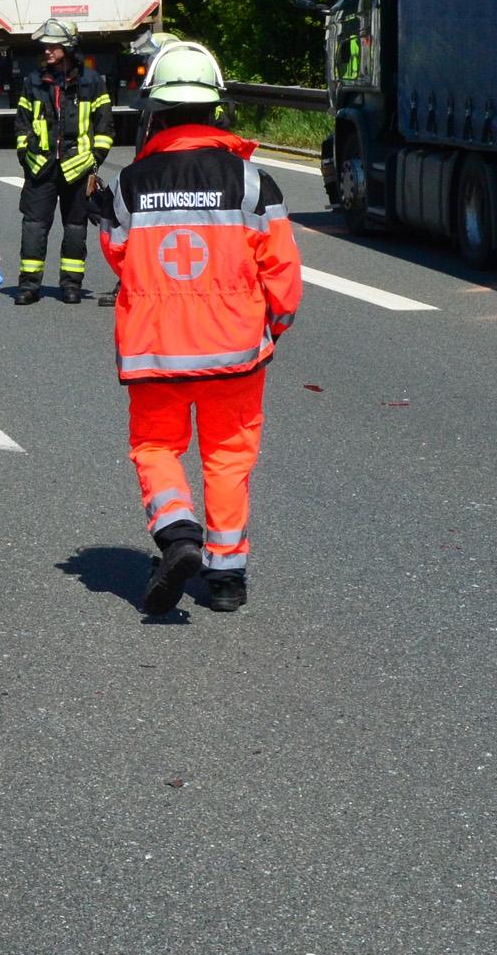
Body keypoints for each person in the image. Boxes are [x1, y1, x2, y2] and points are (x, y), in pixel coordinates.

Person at [90, 42, 302, 615]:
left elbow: (120, 256)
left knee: (156, 447)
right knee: (229, 457)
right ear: (216, 109)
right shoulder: (253, 182)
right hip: (234, 352)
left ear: (154, 111)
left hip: (155, 352)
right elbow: (282, 274)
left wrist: (105, 217)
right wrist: (271, 330)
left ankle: (178, 535)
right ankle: (227, 578)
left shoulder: (132, 185)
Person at [12, 18, 114, 304]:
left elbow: (105, 127)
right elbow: (21, 123)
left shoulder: (92, 82)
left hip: (78, 168)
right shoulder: (33, 81)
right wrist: (24, 154)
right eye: (45, 46)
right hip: (39, 166)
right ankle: (29, 286)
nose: (46, 51)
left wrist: (94, 160)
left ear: (68, 48)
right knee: (33, 226)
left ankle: (71, 286)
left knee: (75, 228)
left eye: (53, 46)